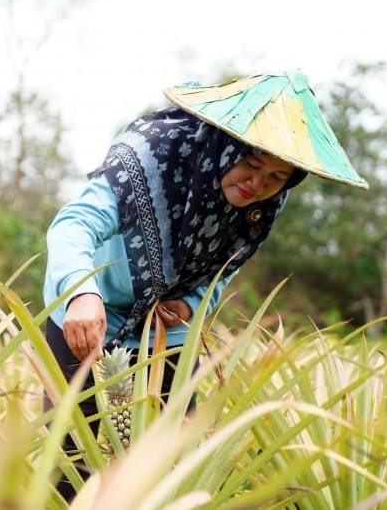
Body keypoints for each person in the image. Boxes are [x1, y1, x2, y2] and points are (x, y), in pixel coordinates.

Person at [41, 71, 368, 500]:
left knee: (174, 456)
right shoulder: (151, 155)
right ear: (223, 145)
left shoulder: (265, 201)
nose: (258, 185)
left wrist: (193, 303)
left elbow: (225, 267)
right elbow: (75, 223)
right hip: (86, 312)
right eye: (251, 164)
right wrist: (82, 293)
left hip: (163, 328)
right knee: (69, 455)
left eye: (276, 177)